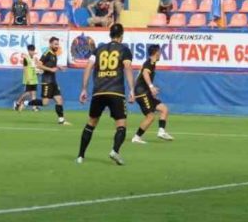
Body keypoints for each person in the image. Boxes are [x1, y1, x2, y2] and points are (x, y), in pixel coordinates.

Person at [77, 23, 135, 165]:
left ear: (110, 34)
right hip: (116, 92)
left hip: (99, 91)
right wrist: (132, 89)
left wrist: (84, 89)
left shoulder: (98, 49)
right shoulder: (124, 50)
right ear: (121, 35)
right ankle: (115, 151)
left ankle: (80, 156)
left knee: (91, 124)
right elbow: (127, 68)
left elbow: (88, 67)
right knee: (121, 125)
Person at [129, 44, 174, 144]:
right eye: (159, 52)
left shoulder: (150, 63)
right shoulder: (150, 62)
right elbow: (145, 73)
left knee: (164, 109)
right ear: (156, 53)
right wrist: (151, 87)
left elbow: (139, 77)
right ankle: (136, 137)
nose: (160, 54)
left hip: (145, 93)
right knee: (150, 116)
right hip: (142, 93)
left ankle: (161, 132)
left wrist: (133, 91)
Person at [23, 36, 69, 124]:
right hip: (47, 81)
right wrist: (51, 69)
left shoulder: (54, 54)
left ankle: (61, 120)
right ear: (50, 44)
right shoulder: (46, 53)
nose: (57, 46)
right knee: (45, 103)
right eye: (55, 44)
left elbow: (51, 64)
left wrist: (59, 66)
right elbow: (39, 65)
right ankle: (26, 103)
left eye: (58, 44)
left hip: (53, 81)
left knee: (59, 100)